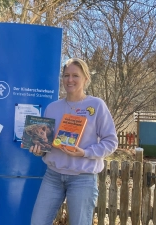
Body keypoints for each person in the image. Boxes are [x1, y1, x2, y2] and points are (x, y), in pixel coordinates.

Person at [29, 58, 118, 225]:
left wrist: (85, 152)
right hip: (53, 176)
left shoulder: (96, 105)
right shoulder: (52, 108)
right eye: (66, 75)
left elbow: (111, 141)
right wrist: (38, 149)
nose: (70, 80)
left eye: (75, 75)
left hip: (83, 178)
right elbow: (46, 144)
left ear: (86, 78)